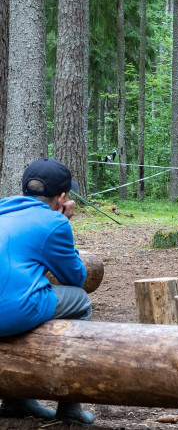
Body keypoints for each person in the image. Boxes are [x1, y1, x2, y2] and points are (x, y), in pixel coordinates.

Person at [0, 158, 95, 426]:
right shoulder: (55, 222)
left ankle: (16, 399)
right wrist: (63, 221)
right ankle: (70, 405)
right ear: (63, 196)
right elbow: (76, 277)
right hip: (10, 313)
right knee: (80, 301)